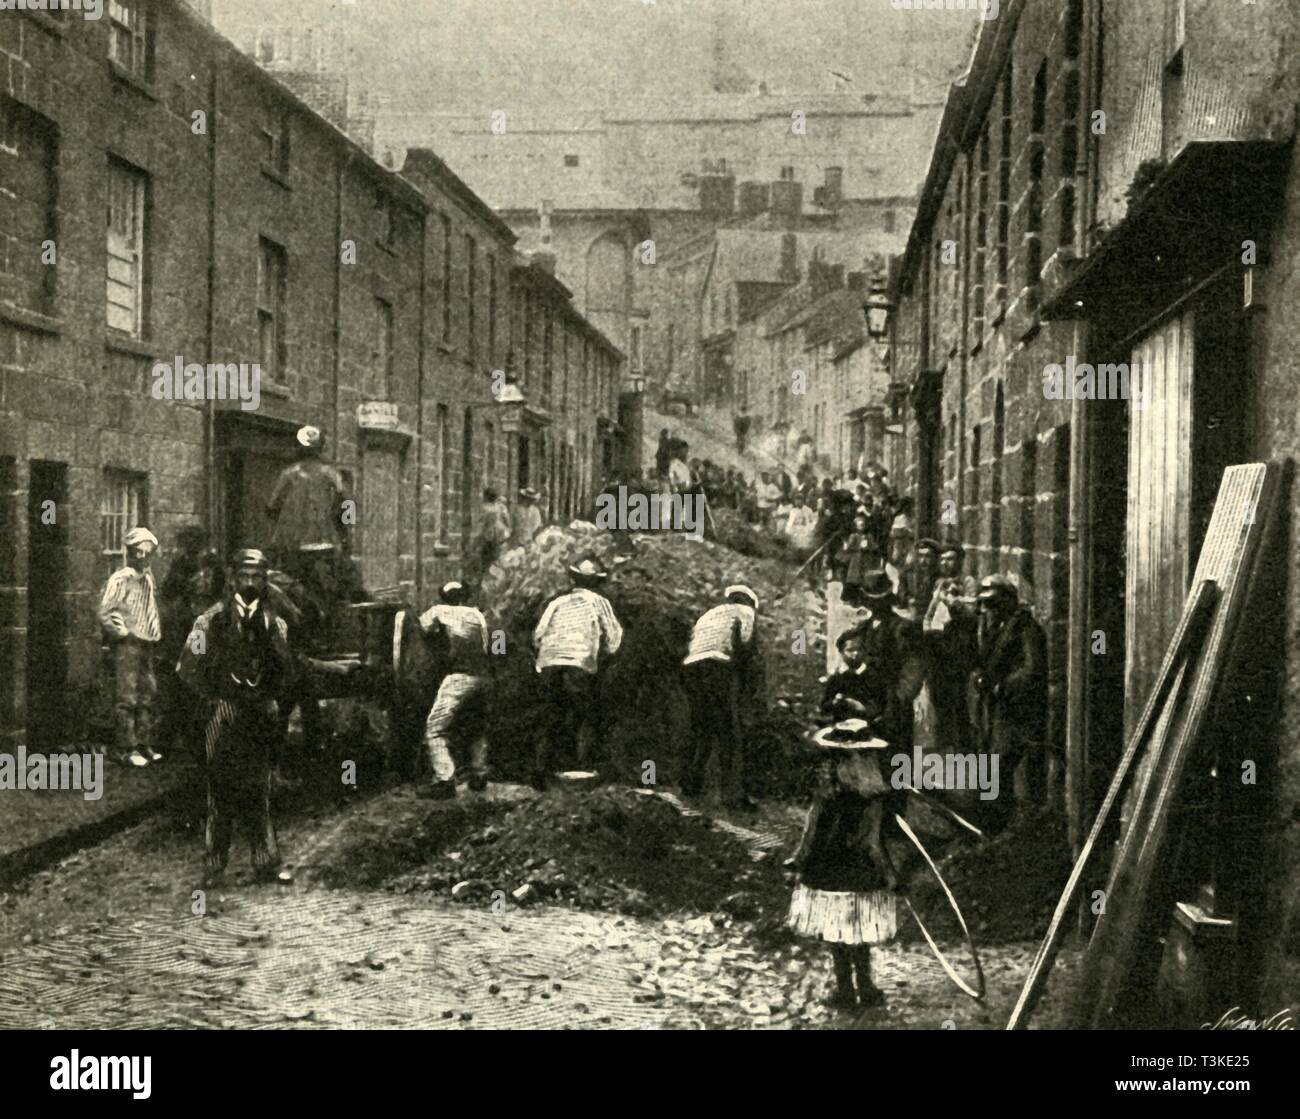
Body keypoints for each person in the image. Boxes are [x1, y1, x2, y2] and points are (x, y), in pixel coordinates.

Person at [788, 625, 903, 1010]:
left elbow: (821, 826)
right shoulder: (864, 796)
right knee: (852, 928)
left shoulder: (846, 794)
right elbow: (857, 837)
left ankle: (852, 987)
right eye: (847, 649)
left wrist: (803, 858)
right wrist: (888, 873)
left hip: (834, 865)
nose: (852, 654)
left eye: (857, 648)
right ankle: (858, 987)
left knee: (843, 929)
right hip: (848, 867)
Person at [178, 549, 296, 886]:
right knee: (220, 789)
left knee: (259, 788)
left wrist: (272, 699)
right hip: (224, 710)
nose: (249, 583)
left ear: (265, 580)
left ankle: (267, 864)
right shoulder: (209, 621)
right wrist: (211, 702)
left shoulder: (275, 623)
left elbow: (286, 669)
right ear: (232, 579)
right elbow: (187, 667)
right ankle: (214, 869)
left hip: (258, 711)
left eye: (256, 576)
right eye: (243, 575)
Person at [531, 555, 623, 789]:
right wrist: (604, 658)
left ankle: (542, 771)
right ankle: (581, 768)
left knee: (550, 715)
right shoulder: (599, 602)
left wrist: (545, 656)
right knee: (583, 713)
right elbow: (614, 637)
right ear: (596, 582)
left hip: (549, 662)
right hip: (579, 663)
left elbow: (538, 635)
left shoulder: (558, 602)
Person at [680, 585, 764, 808]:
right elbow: (745, 645)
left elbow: (693, 641)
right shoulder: (745, 612)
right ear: (749, 602)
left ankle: (690, 786)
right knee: (729, 733)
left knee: (702, 728)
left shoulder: (710, 614)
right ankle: (733, 797)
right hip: (716, 667)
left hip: (691, 668)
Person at [973, 574, 1048, 818]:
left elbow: (1032, 668)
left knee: (1001, 762)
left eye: (992, 604)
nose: (987, 610)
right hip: (995, 706)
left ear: (1007, 601)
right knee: (988, 759)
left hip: (1018, 709)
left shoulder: (1026, 628)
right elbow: (984, 659)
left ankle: (1004, 819)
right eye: (985, 605)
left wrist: (1003, 686)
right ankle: (990, 819)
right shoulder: (991, 625)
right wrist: (979, 676)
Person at [418, 581, 492, 799]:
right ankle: (479, 773)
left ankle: (445, 779)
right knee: (476, 725)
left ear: (444, 597)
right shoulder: (479, 616)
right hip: (484, 676)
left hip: (459, 676)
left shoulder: (438, 611)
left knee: (435, 729)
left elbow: (420, 630)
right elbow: (495, 645)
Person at [98, 527, 163, 768]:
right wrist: (121, 632)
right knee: (127, 697)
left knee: (147, 694)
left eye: (148, 553)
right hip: (128, 645)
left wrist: (154, 633)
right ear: (130, 553)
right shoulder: (120, 579)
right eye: (139, 552)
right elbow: (105, 612)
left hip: (147, 644)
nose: (143, 558)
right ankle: (126, 748)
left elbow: (150, 609)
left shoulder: (147, 578)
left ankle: (143, 743)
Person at [265, 426, 349, 569]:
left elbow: (272, 506)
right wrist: (346, 533)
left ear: (299, 448)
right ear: (321, 448)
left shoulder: (288, 474)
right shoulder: (331, 474)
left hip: (293, 547)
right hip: (326, 544)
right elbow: (348, 503)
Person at [470, 487, 512, 584]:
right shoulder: (501, 507)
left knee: (485, 561)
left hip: (488, 536)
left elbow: (481, 525)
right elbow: (508, 521)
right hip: (500, 535)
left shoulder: (484, 508)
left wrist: (475, 543)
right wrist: (508, 530)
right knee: (497, 560)